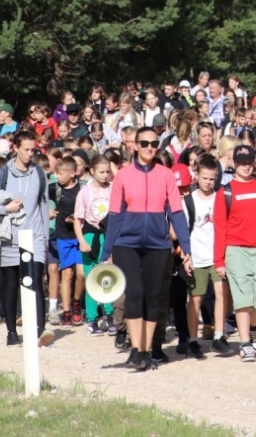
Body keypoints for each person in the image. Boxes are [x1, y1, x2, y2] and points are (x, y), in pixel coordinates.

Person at [105, 126, 192, 371]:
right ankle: (136, 349)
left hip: (158, 243)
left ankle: (148, 350)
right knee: (134, 294)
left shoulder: (165, 175)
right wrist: (106, 251)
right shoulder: (123, 175)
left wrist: (186, 248)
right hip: (126, 243)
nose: (149, 148)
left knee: (153, 297)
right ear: (135, 145)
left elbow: (176, 213)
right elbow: (114, 215)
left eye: (154, 144)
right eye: (144, 143)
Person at [0, 132, 58, 349]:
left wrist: (44, 238)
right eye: (26, 149)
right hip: (9, 238)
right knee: (11, 285)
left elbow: (43, 208)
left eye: (33, 149)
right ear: (15, 148)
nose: (30, 153)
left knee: (35, 283)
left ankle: (39, 331)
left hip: (34, 237)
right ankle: (12, 332)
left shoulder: (40, 173)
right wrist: (6, 208)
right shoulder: (3, 173)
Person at [214, 145, 256, 363]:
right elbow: (220, 228)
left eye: (249, 162)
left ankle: (254, 327)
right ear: (234, 163)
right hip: (235, 251)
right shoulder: (225, 191)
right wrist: (219, 259)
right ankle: (245, 344)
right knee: (243, 300)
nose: (246, 166)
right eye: (241, 162)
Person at [184, 155, 229, 358]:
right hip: (197, 256)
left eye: (212, 178)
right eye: (205, 178)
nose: (208, 182)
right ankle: (193, 339)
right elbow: (184, 231)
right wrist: (186, 256)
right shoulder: (189, 201)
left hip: (218, 256)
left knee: (221, 294)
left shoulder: (222, 197)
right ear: (197, 176)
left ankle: (219, 336)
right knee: (196, 298)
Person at [74, 154, 115, 333]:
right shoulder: (85, 192)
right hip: (90, 236)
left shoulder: (113, 189)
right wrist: (81, 240)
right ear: (92, 171)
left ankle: (109, 315)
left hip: (108, 236)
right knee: (91, 278)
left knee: (108, 277)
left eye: (108, 172)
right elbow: (77, 220)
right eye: (101, 172)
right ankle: (91, 319)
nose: (105, 175)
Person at [51, 155, 83, 326]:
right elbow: (37, 196)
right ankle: (67, 311)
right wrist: (47, 210)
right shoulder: (54, 189)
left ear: (72, 173)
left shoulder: (82, 189)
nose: (57, 176)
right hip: (63, 236)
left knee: (81, 274)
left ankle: (76, 302)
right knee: (67, 273)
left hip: (80, 236)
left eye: (61, 173)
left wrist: (78, 219)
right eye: (56, 173)